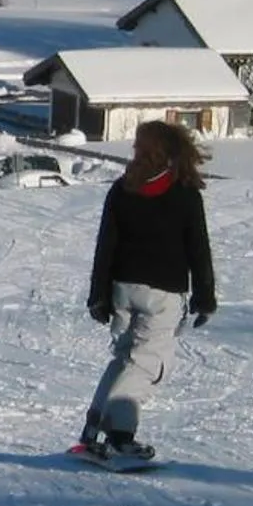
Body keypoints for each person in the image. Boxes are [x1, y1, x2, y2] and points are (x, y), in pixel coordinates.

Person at [77, 119, 216, 463]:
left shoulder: (122, 189)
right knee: (146, 363)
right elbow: (198, 248)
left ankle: (92, 430)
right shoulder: (184, 193)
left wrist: (99, 294)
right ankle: (120, 437)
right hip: (162, 294)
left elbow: (105, 245)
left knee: (126, 358)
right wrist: (205, 297)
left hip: (122, 290)